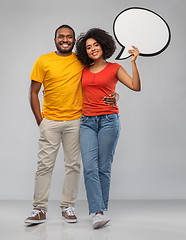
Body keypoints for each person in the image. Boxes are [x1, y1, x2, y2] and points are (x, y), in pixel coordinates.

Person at [25, 25, 119, 225]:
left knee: (73, 166)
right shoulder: (43, 60)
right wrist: (40, 121)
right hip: (49, 121)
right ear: (55, 39)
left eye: (69, 37)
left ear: (74, 41)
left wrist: (115, 95)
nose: (65, 40)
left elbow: (100, 79)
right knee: (44, 166)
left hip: (77, 121)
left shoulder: (82, 61)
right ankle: (39, 209)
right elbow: (33, 92)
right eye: (61, 37)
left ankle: (68, 207)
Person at [75, 28, 141, 229]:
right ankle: (98, 211)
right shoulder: (83, 69)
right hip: (86, 121)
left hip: (108, 121)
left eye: (95, 44)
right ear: (84, 52)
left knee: (103, 167)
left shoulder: (114, 68)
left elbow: (135, 86)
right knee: (89, 167)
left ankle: (99, 212)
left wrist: (133, 63)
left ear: (104, 45)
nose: (93, 49)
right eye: (88, 47)